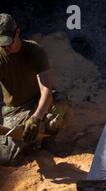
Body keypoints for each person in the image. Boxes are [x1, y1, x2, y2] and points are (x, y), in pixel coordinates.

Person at [0, 13, 72, 165]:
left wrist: (36, 117)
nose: (5, 47)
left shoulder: (34, 51)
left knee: (61, 105)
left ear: (17, 32)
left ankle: (48, 140)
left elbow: (46, 91)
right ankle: (29, 143)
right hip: (15, 111)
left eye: (7, 42)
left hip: (38, 102)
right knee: (7, 158)